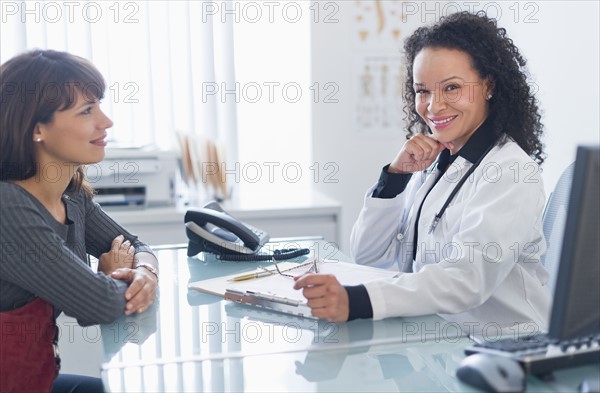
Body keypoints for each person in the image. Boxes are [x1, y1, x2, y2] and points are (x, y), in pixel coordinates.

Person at [294, 11, 551, 334]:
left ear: (488, 85)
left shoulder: (511, 172)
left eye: (452, 88)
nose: (433, 106)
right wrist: (395, 178)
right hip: (436, 339)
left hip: (505, 349)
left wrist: (359, 301)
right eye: (423, 91)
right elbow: (368, 255)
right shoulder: (436, 163)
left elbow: (466, 279)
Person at [0, 50, 159, 392]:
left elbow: (138, 246)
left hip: (34, 377)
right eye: (86, 111)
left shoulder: (71, 195)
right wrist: (104, 279)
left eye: (99, 105)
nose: (106, 122)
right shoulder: (7, 207)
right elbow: (98, 304)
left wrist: (146, 272)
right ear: (36, 129)